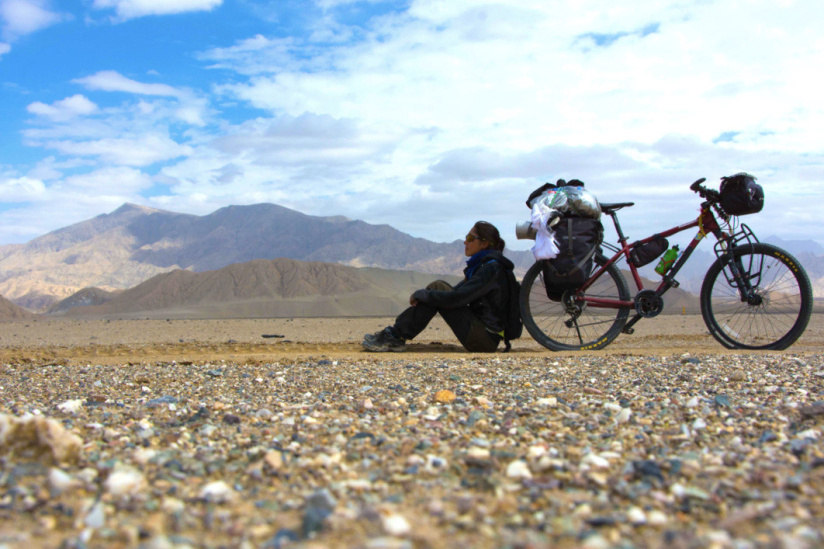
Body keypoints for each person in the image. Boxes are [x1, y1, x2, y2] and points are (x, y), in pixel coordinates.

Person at [363, 221, 516, 352]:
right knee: (437, 288)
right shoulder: (484, 265)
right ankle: (395, 334)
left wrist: (422, 295)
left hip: (484, 340)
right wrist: (426, 295)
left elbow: (457, 298)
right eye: (466, 238)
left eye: (470, 238)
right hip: (482, 335)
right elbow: (457, 293)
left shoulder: (491, 268)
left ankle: (395, 336)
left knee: (436, 290)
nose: (465, 242)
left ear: (484, 243)